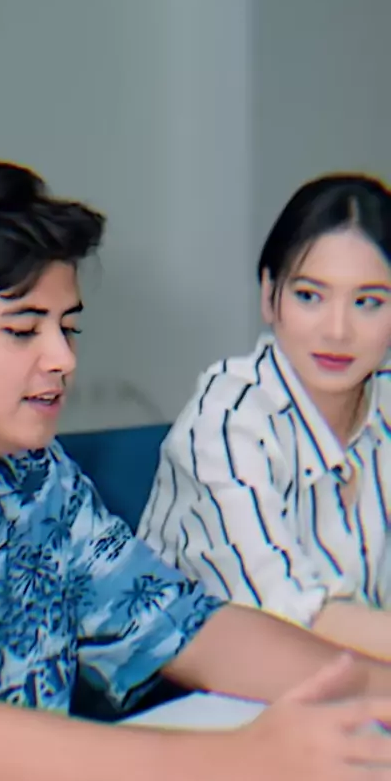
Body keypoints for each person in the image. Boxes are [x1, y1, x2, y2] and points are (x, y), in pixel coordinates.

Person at [0, 157, 391, 781]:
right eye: (23, 330)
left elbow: (185, 625)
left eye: (68, 327)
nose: (62, 358)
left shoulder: (37, 482)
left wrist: (374, 688)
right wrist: (236, 758)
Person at [138, 173, 391, 665]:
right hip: (195, 693)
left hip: (354, 683)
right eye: (309, 296)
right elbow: (287, 617)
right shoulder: (227, 417)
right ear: (269, 295)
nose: (337, 330)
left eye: (368, 303)